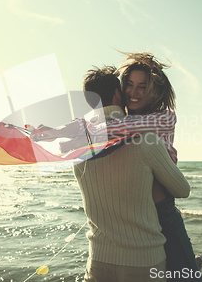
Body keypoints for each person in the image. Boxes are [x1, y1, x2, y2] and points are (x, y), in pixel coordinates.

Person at [73, 66, 191, 281]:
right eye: (128, 85)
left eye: (142, 87)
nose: (133, 92)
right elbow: (183, 190)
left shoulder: (81, 143)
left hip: (102, 256)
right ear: (118, 92)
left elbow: (123, 125)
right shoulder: (141, 140)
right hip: (143, 253)